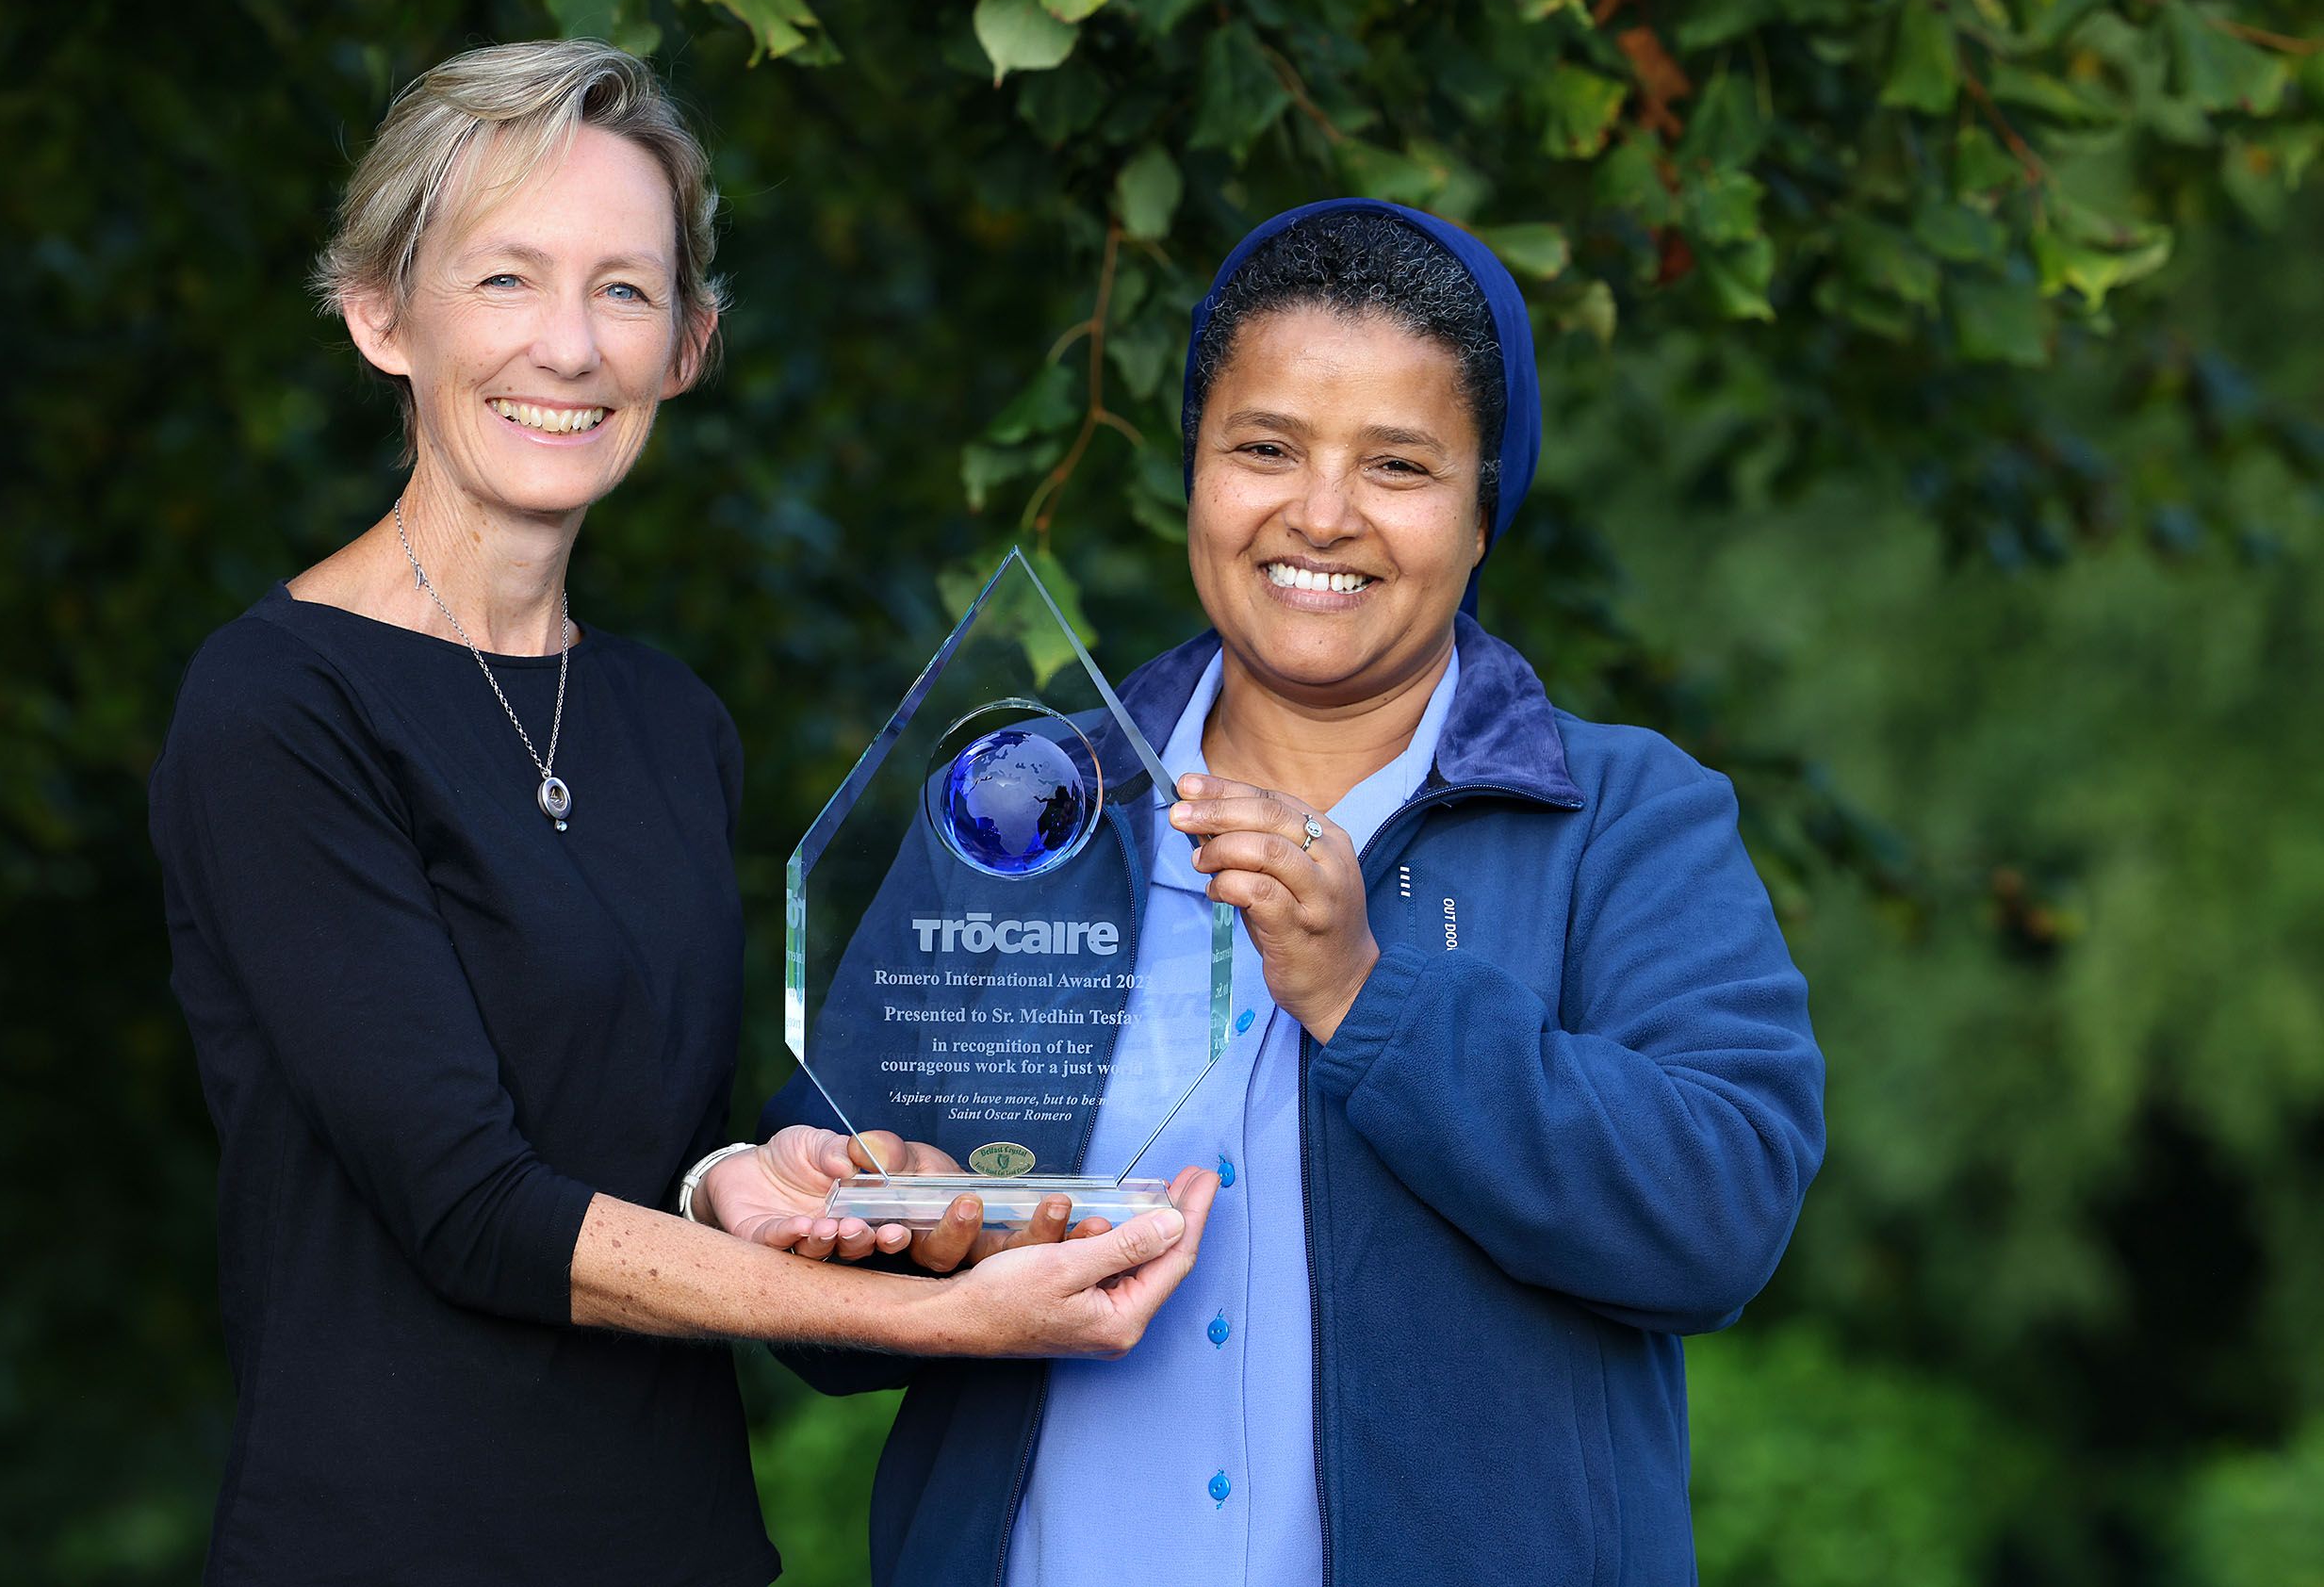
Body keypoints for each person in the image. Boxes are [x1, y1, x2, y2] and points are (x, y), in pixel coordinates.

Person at [145, 39, 1215, 1587]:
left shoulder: (667, 718)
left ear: (689, 344)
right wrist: (926, 1316)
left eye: (626, 291)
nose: (569, 348)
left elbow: (616, 1136)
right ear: (382, 313)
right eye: (506, 280)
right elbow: (469, 1209)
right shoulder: (279, 708)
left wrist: (745, 1182)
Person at [753, 201, 1827, 1585]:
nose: (1319, 513)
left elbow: (1715, 1217)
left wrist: (1366, 997)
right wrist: (868, 1221)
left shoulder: (1621, 818)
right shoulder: (1015, 806)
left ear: (1484, 510)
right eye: (1264, 448)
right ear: (1192, 471)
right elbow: (815, 1288)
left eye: (1396, 464)